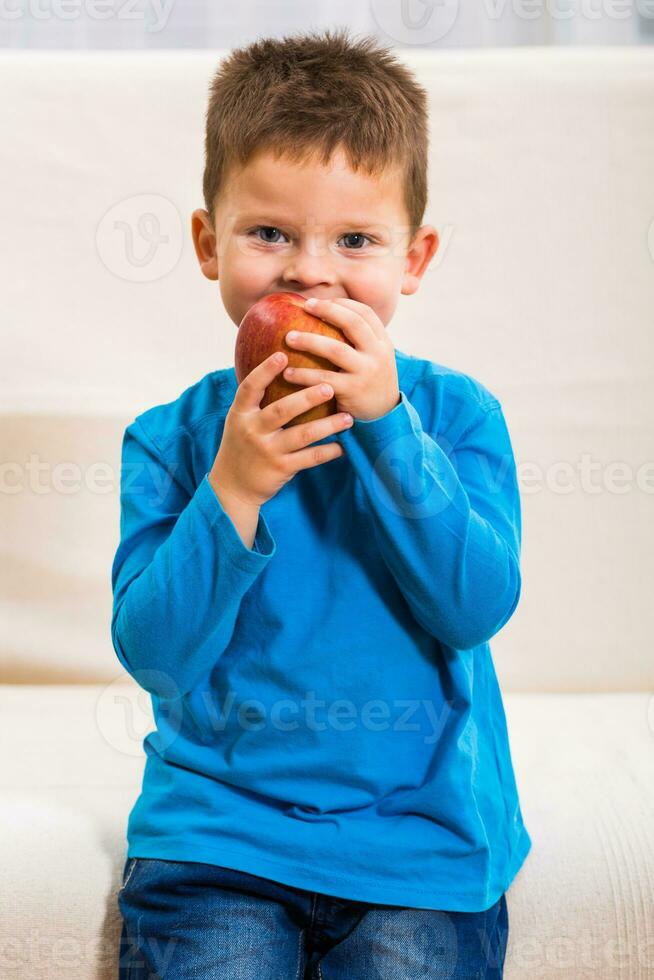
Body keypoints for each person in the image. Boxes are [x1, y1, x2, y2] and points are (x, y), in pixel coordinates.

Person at [112, 25, 531, 979]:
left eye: (355, 240)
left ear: (412, 258)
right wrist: (235, 489)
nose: (309, 272)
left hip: (417, 847)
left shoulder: (456, 416)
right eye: (269, 234)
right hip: (221, 837)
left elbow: (473, 606)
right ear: (207, 245)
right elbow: (156, 656)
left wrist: (387, 430)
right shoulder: (171, 439)